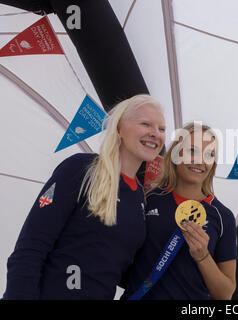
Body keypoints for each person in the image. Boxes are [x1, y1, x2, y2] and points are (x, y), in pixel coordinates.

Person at [3, 94, 166, 299]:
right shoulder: (80, 169)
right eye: (146, 124)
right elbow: (31, 247)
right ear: (119, 128)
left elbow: (117, 270)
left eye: (161, 129)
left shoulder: (139, 198)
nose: (155, 134)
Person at [121, 122, 237, 300]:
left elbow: (225, 294)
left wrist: (203, 256)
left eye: (209, 155)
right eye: (193, 151)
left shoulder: (223, 217)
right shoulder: (148, 199)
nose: (200, 160)